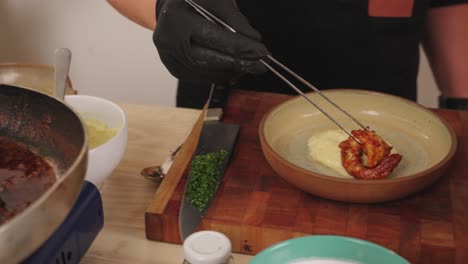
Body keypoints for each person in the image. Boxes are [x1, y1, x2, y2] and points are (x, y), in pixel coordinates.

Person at [107, 0, 468, 109]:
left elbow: (451, 7)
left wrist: (462, 107)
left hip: (387, 122)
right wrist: (161, 9)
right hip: (223, 114)